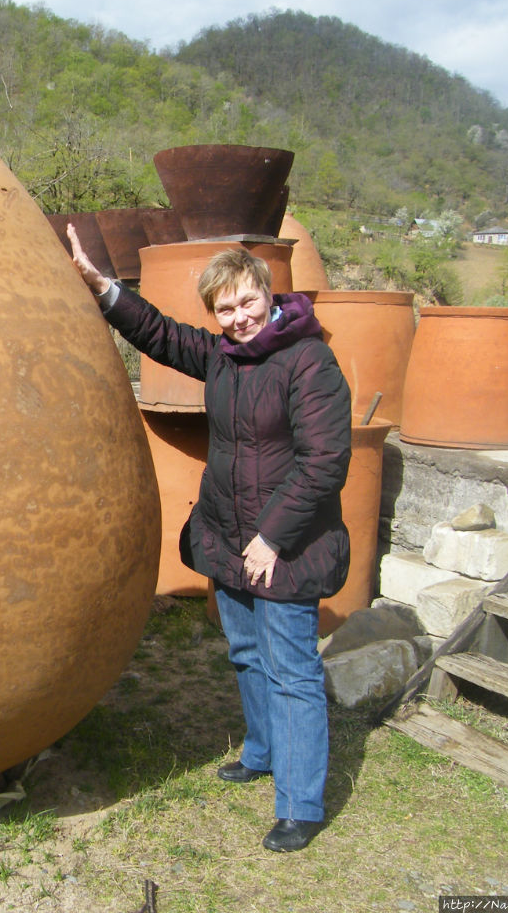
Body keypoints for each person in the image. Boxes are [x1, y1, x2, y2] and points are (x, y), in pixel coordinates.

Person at [67, 225, 351, 853]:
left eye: (247, 301)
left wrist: (273, 538)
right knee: (247, 652)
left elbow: (325, 461)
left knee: (293, 670)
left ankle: (301, 804)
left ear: (268, 294)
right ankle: (263, 751)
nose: (239, 317)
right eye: (225, 308)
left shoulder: (309, 360)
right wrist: (104, 288)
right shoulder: (224, 355)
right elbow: (163, 336)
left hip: (288, 544)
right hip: (228, 534)